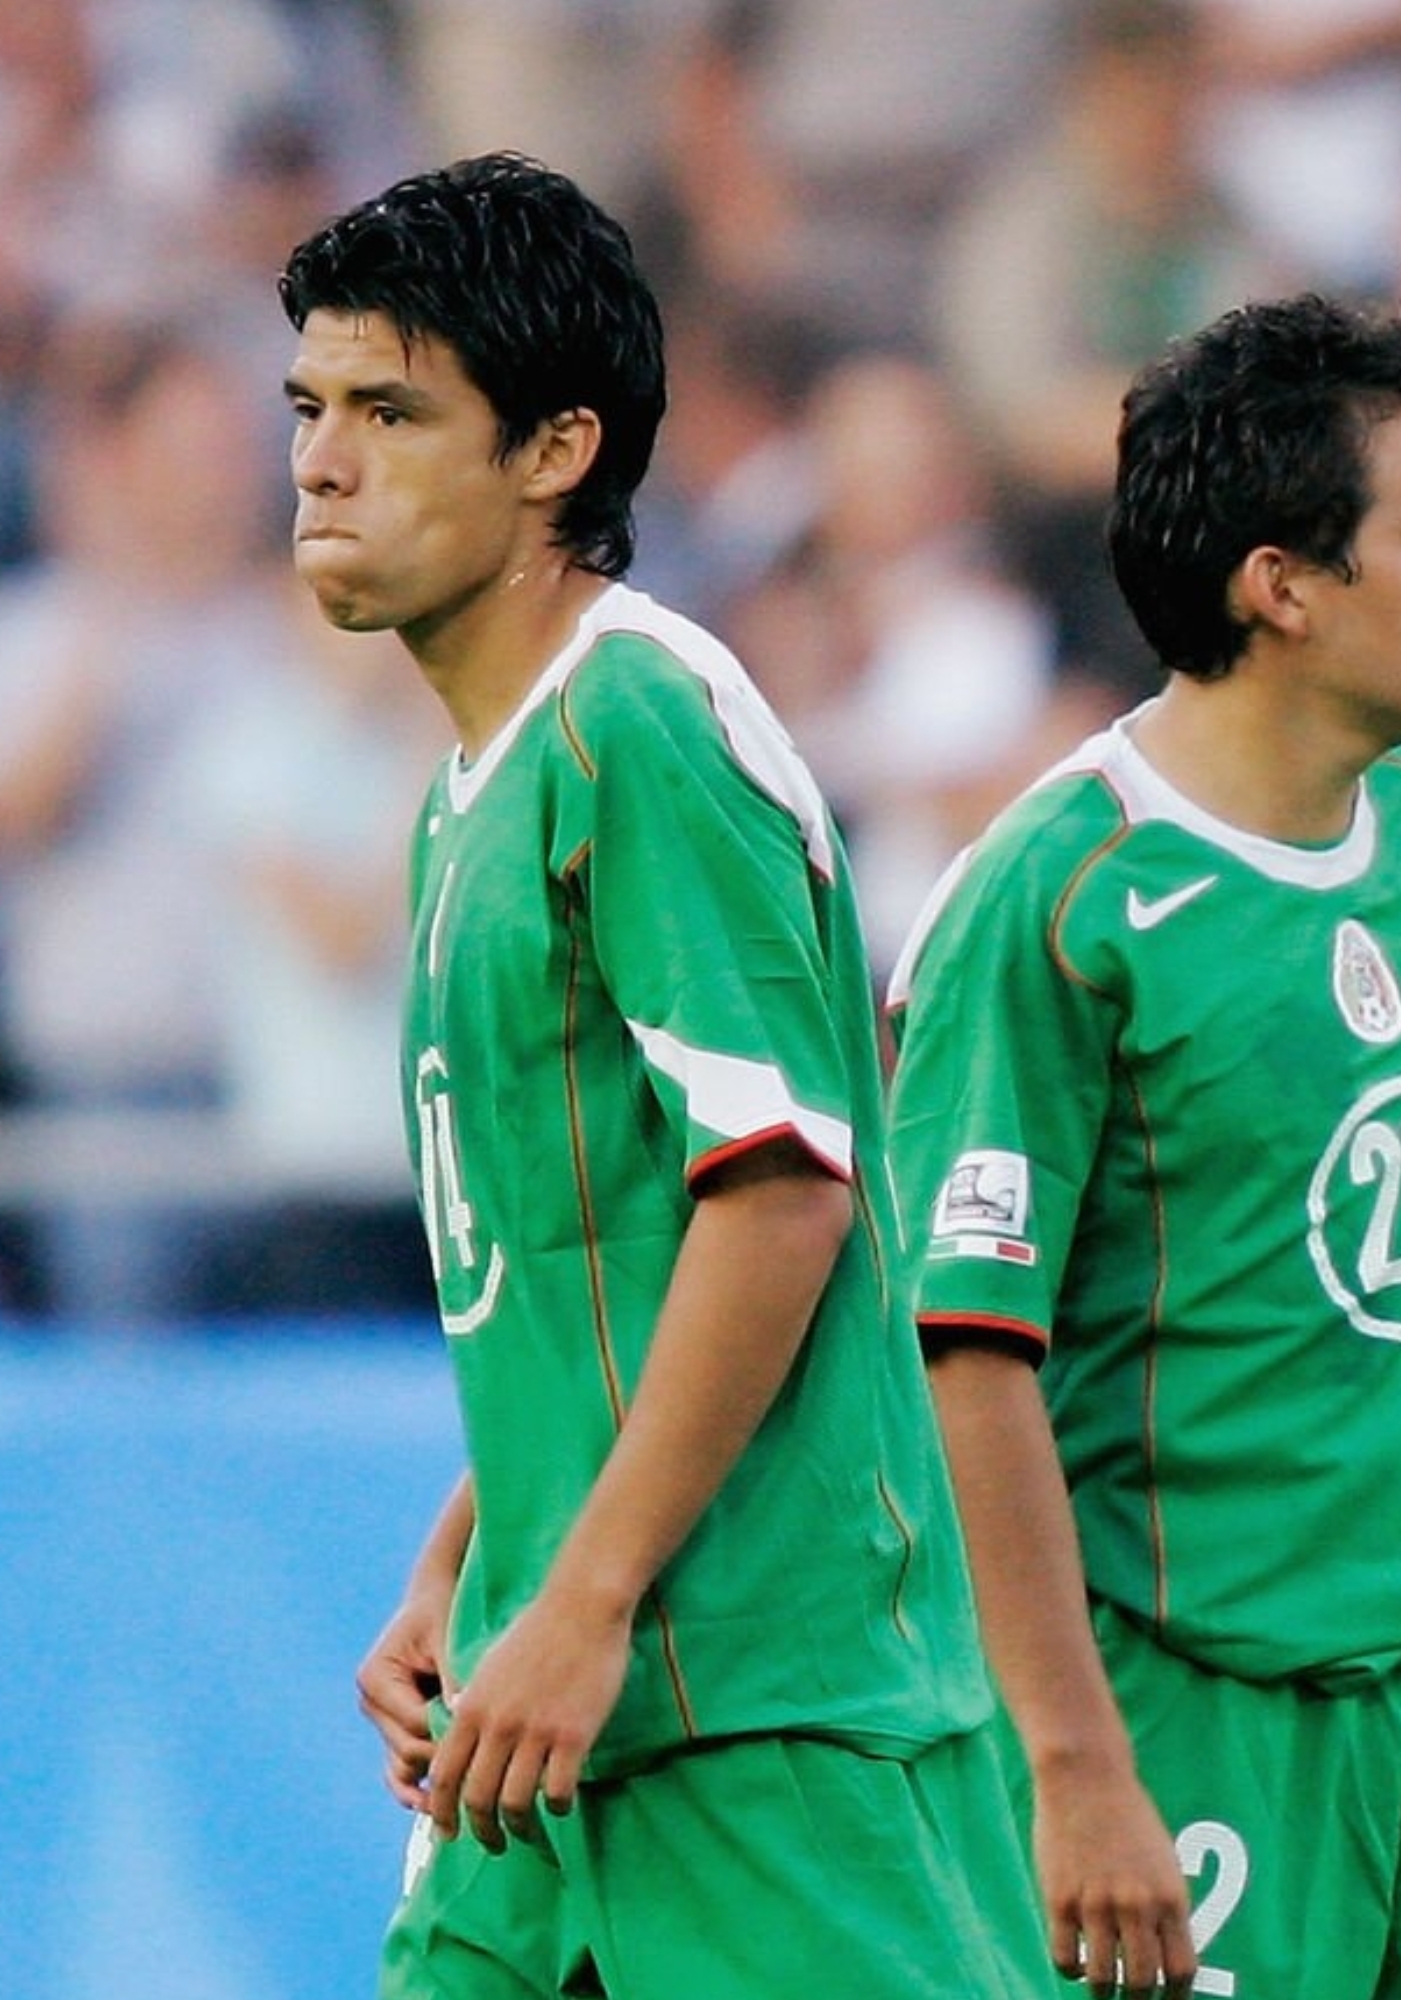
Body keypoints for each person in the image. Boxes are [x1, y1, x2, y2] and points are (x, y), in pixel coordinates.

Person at [278, 154, 1046, 1997]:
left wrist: (590, 1592)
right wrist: (470, 1558)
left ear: (557, 449)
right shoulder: (469, 794)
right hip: (550, 1702)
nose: (320, 463)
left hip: (752, 1706)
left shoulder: (638, 722)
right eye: (309, 408)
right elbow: (585, 1270)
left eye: (391, 413)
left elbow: (777, 1191)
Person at [883, 294, 1401, 1998]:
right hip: (1186, 1694)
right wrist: (1074, 1765)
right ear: (1281, 586)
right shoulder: (1056, 898)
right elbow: (964, 1356)